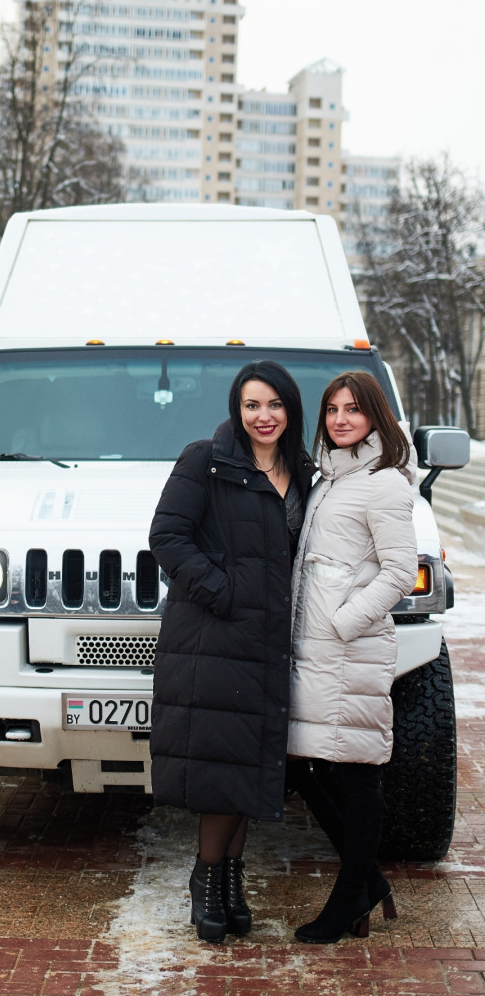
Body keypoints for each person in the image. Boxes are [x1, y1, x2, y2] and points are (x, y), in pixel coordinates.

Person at [148, 360, 313, 943]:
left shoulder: (304, 471)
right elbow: (166, 537)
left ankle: (230, 881)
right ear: (235, 410)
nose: (262, 416)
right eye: (251, 405)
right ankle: (207, 880)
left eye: (273, 404)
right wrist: (224, 592)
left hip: (267, 643)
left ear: (290, 408)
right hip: (212, 640)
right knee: (224, 764)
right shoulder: (206, 459)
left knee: (247, 763)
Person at [287, 371, 418, 944]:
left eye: (354, 410)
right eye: (333, 410)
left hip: (348, 650)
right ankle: (369, 883)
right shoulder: (330, 478)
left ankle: (348, 902)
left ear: (376, 417)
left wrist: (342, 621)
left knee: (356, 775)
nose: (341, 419)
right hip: (315, 651)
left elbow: (398, 573)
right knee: (304, 765)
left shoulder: (384, 482)